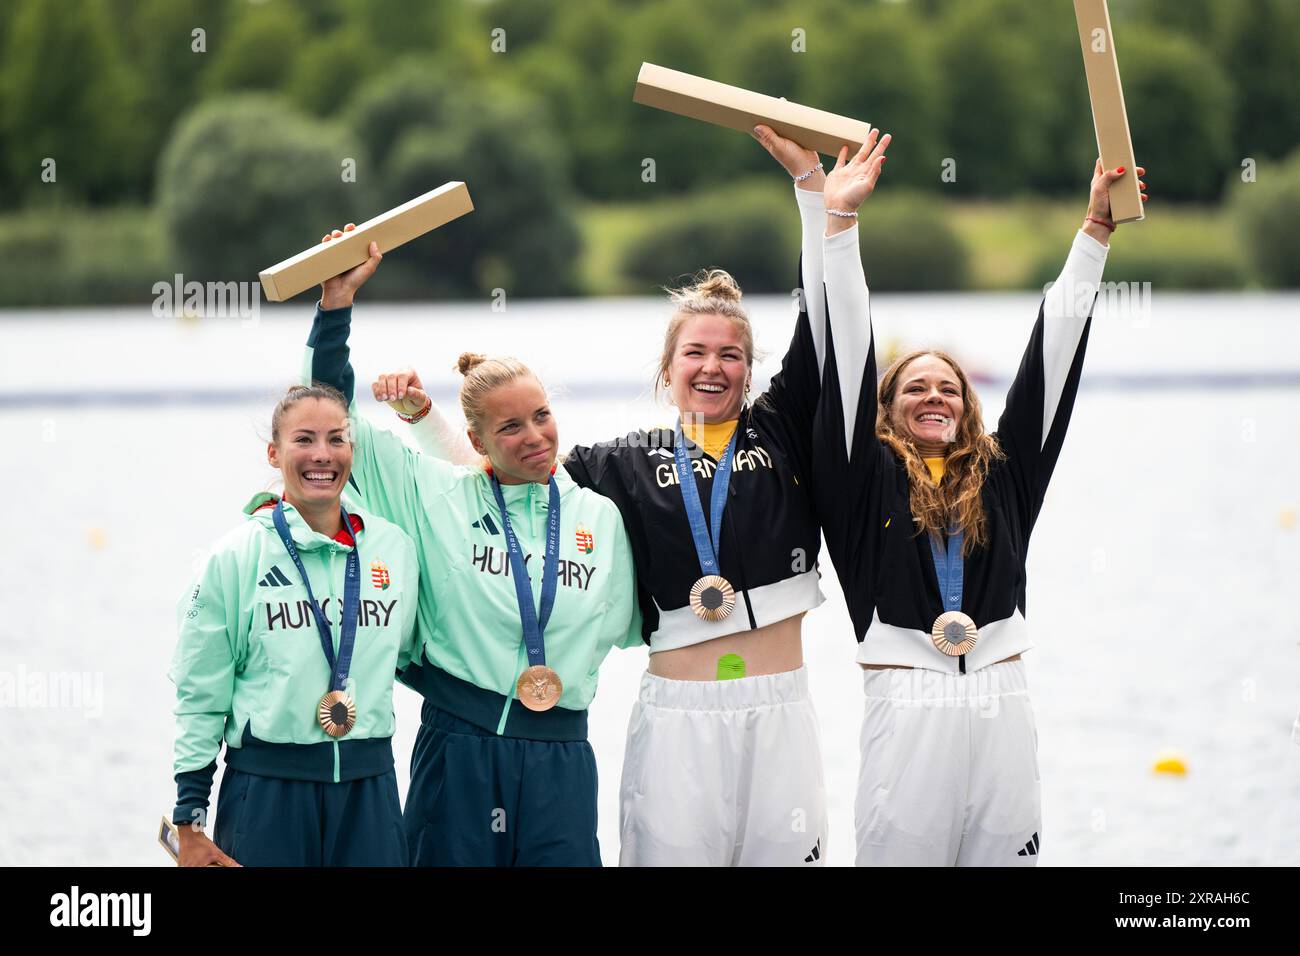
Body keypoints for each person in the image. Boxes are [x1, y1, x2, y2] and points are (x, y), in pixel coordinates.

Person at [373, 127, 892, 865]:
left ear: (750, 369)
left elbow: (835, 325)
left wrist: (825, 208)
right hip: (677, 719)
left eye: (731, 356)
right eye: (696, 353)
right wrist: (425, 421)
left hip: (781, 712)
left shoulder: (781, 430)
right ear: (668, 365)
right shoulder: (618, 464)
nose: (713, 367)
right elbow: (503, 473)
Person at [811, 153, 1149, 865]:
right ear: (884, 411)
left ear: (967, 408)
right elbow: (846, 352)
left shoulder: (1004, 471)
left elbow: (1050, 365)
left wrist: (1094, 230)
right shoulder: (859, 479)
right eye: (914, 389)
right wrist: (839, 224)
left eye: (948, 388)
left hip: (1003, 695)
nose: (933, 396)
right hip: (907, 704)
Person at [304, 237, 643, 866]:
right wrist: (337, 304)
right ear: (477, 439)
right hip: (458, 748)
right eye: (510, 427)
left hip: (561, 758)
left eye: (541, 416)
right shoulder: (439, 496)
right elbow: (331, 420)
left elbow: (618, 629)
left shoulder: (599, 518)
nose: (535, 436)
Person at [169, 383, 420, 866]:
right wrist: (190, 821)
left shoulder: (394, 549)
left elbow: (409, 652)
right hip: (268, 795)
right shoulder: (233, 558)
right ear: (274, 452)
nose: (321, 455)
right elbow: (200, 698)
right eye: (304, 439)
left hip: (369, 793)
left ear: (352, 450)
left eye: (336, 439)